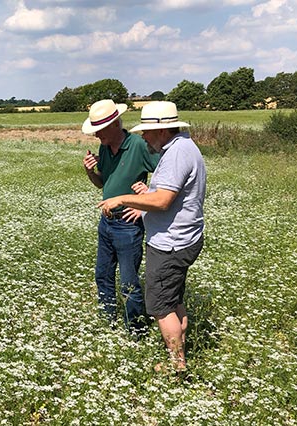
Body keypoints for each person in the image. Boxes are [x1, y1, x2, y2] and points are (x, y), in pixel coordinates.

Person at [97, 101, 206, 372]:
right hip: (182, 238)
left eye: (147, 131)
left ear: (163, 131)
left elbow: (164, 201)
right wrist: (145, 197)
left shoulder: (177, 153)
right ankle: (179, 353)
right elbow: (166, 196)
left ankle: (176, 365)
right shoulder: (183, 147)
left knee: (160, 307)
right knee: (174, 301)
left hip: (171, 243)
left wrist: (124, 198)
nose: (143, 136)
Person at [81, 99, 159, 335]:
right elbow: (103, 184)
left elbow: (168, 177)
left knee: (128, 283)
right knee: (102, 276)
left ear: (115, 124)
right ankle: (108, 323)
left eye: (99, 130)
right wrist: (89, 172)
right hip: (106, 222)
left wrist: (144, 206)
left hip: (127, 226)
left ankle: (135, 331)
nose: (96, 136)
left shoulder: (138, 145)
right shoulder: (105, 149)